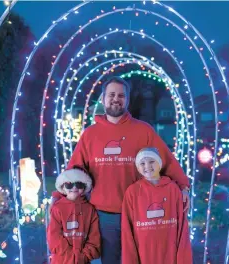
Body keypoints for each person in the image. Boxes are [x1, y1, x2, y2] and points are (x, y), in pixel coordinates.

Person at [67, 76, 190, 263]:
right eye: (111, 95)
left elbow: (165, 160)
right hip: (104, 215)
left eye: (121, 95)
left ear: (127, 100)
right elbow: (75, 169)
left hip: (139, 213)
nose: (116, 99)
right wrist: (60, 197)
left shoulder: (143, 131)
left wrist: (183, 186)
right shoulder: (90, 135)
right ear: (103, 99)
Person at [121, 147, 192, 264]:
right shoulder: (132, 192)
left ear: (159, 163)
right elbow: (127, 230)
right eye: (142, 163)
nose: (147, 166)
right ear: (138, 168)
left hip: (169, 253)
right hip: (143, 254)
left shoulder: (173, 189)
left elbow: (181, 226)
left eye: (151, 161)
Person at [47, 169, 101, 264]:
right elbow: (53, 236)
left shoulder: (90, 209)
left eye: (79, 184)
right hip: (61, 260)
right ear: (63, 187)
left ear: (84, 187)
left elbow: (94, 237)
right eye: (69, 184)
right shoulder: (57, 208)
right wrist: (71, 255)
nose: (74, 187)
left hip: (82, 261)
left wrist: (83, 256)